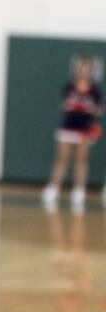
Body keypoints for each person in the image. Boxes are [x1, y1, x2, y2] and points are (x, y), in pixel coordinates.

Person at [42, 57, 102, 208]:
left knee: (81, 159)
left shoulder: (95, 90)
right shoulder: (69, 87)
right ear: (77, 69)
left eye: (87, 68)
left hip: (84, 129)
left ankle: (79, 191)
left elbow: (98, 109)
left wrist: (91, 118)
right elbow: (65, 104)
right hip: (68, 127)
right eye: (81, 67)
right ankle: (53, 189)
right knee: (62, 159)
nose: (83, 70)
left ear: (91, 71)